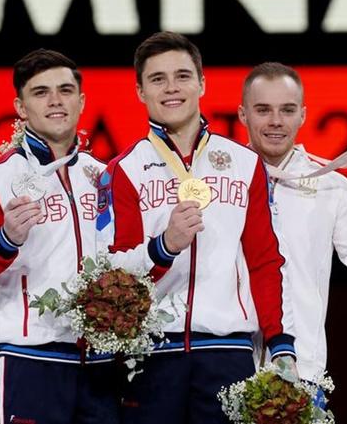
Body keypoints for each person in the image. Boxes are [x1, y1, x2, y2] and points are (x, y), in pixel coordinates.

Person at [96, 32, 296, 424]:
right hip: (153, 356)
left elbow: (263, 261)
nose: (171, 88)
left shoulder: (244, 163)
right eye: (157, 79)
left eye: (182, 76)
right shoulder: (122, 172)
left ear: (202, 84)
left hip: (228, 353)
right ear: (139, 91)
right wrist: (164, 247)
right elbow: (113, 275)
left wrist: (279, 344)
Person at [0, 49, 119, 424]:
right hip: (33, 359)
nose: (56, 100)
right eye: (41, 92)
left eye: (65, 90)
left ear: (82, 101)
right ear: (21, 107)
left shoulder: (104, 175)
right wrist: (5, 238)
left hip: (104, 363)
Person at [238, 62, 347, 390]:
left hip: (301, 370)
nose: (275, 122)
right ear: (243, 115)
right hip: (224, 365)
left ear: (303, 115)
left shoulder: (332, 188)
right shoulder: (220, 182)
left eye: (287, 110)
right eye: (263, 110)